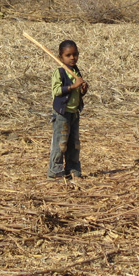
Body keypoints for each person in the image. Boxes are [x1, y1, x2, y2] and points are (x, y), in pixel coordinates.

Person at [47, 40, 88, 180]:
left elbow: (77, 93)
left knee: (74, 143)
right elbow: (57, 91)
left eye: (75, 54)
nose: (72, 58)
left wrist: (82, 90)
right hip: (62, 114)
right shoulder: (59, 72)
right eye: (68, 55)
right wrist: (72, 86)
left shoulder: (76, 71)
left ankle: (73, 170)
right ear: (61, 57)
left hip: (74, 112)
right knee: (61, 143)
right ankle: (55, 172)